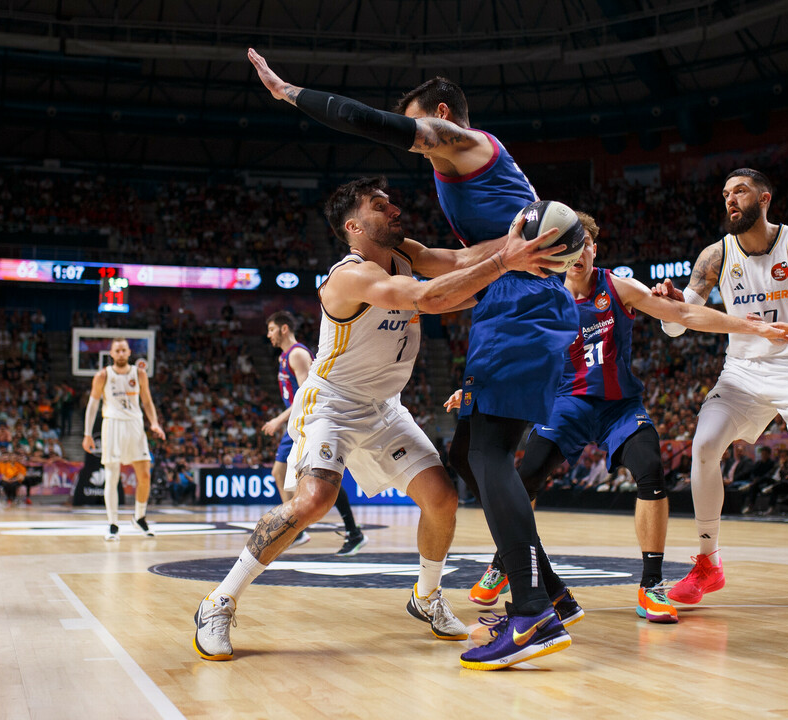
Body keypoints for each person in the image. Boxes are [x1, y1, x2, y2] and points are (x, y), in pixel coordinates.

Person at [246, 53, 580, 670]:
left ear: (442, 116)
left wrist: (292, 93)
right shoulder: (461, 180)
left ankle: (534, 612)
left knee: (487, 456)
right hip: (512, 306)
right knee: (466, 457)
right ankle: (551, 591)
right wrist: (511, 250)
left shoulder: (467, 145)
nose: (414, 144)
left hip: (522, 306)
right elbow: (457, 262)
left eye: (418, 126)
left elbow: (378, 125)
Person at [192, 176, 566, 665]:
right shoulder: (347, 276)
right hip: (332, 401)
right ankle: (218, 601)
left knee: (442, 497)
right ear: (353, 225)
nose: (393, 209)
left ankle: (426, 598)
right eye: (379, 205)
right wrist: (505, 262)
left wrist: (518, 242)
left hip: (384, 406)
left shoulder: (405, 252)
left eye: (391, 202)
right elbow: (431, 299)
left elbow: (456, 261)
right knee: (315, 497)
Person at [450, 211, 788, 624]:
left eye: (585, 244)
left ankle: (651, 585)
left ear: (593, 249)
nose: (578, 253)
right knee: (522, 478)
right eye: (569, 245)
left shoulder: (618, 287)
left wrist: (752, 327)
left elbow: (685, 316)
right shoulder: (544, 292)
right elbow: (510, 347)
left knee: (651, 469)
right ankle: (504, 564)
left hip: (618, 406)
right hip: (567, 404)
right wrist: (476, 387)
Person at [654, 168, 788, 621]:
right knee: (703, 446)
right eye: (725, 194)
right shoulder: (714, 256)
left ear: (765, 198)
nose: (730, 200)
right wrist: (671, 305)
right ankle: (707, 563)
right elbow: (678, 326)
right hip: (742, 370)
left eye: (740, 192)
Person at [261, 310, 368, 555]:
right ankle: (299, 530)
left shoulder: (297, 354)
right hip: (299, 421)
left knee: (319, 476)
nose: (268, 335)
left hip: (307, 420)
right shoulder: (285, 356)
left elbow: (306, 395)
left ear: (284, 328)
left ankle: (346, 531)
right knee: (288, 474)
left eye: (271, 329)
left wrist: (279, 419)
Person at [82, 338, 166, 541]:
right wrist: (86, 434)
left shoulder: (139, 374)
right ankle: (112, 524)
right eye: (117, 350)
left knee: (145, 474)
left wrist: (154, 422)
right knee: (112, 475)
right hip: (112, 424)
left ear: (129, 352)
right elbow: (93, 405)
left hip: (135, 425)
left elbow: (146, 400)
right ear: (111, 353)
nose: (120, 353)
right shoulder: (103, 375)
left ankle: (139, 517)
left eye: (123, 350)